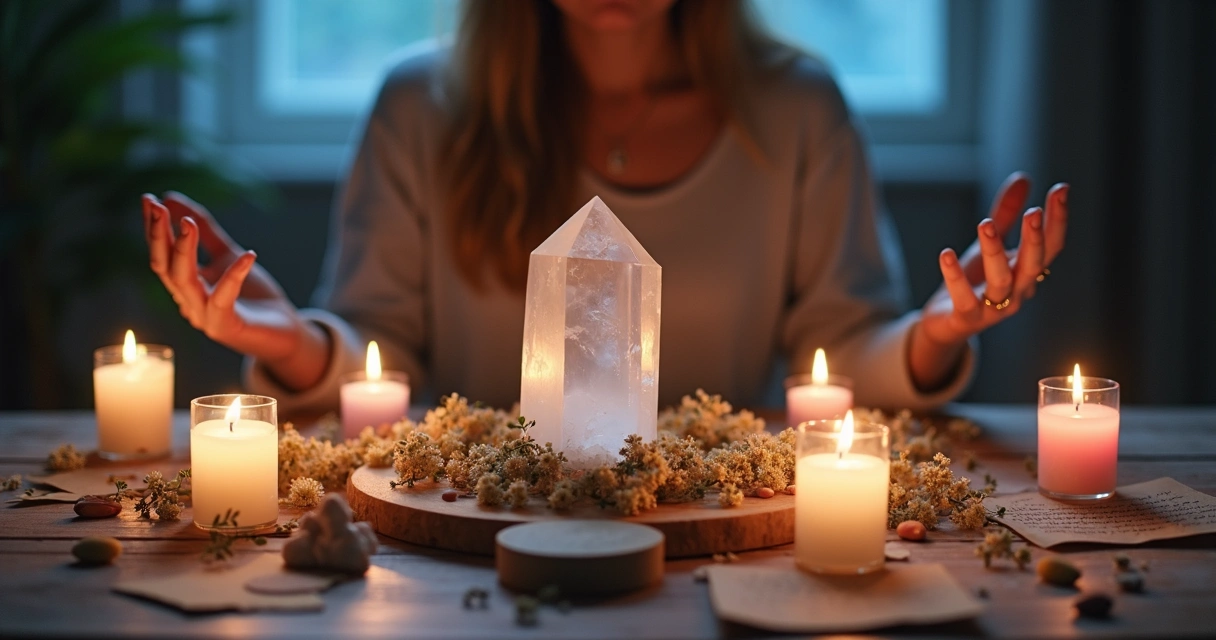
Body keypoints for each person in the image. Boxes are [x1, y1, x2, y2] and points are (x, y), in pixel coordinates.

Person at [140, 0, 1067, 415]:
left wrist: (936, 332)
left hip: (710, 526)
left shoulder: (796, 108)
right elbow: (384, 347)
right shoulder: (421, 107)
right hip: (473, 534)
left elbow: (841, 343)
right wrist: (287, 341)